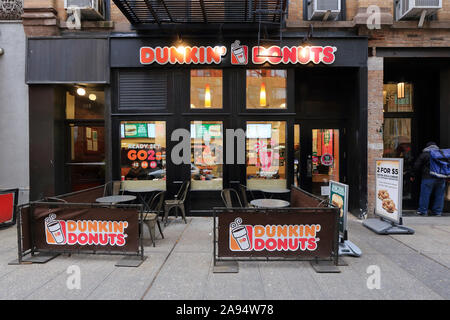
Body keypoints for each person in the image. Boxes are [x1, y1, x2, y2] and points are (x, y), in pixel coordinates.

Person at [412, 142, 446, 216]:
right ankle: (437, 212)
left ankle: (423, 211)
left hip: (428, 178)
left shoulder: (425, 154)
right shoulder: (442, 154)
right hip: (441, 178)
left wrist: (415, 174)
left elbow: (416, 166)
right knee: (439, 195)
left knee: (425, 195)